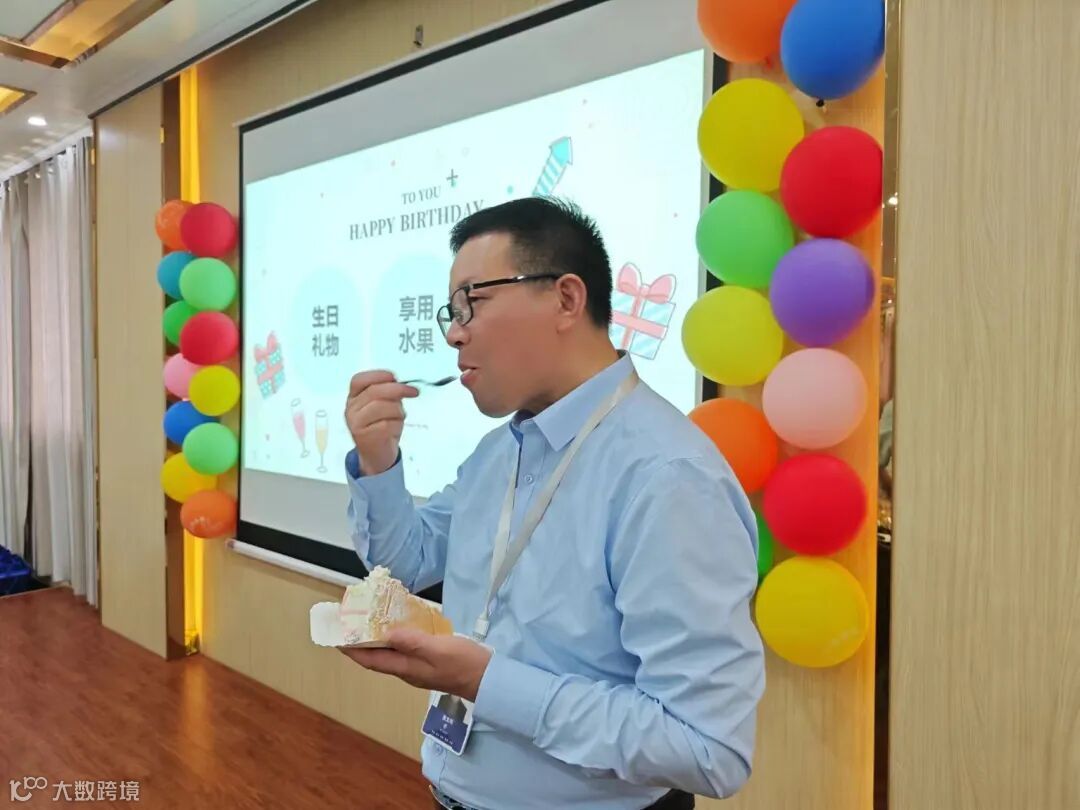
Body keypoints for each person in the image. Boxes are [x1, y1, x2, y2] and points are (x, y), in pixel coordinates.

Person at [341, 198, 764, 810]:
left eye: (472, 302)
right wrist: (378, 461)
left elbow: (707, 749)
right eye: (450, 313)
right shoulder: (499, 452)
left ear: (567, 299)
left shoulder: (667, 475)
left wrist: (484, 680)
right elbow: (407, 562)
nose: (454, 332)